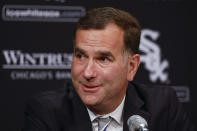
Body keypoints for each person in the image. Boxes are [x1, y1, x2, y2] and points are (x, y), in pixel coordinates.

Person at [23, 7, 195, 131]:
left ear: (131, 67)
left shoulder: (162, 106)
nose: (88, 73)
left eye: (103, 59)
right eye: (80, 56)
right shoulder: (46, 112)